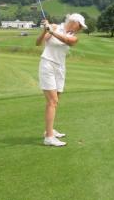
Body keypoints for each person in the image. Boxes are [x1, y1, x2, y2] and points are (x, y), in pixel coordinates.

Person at [36, 13, 87, 146]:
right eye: (80, 25)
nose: (80, 28)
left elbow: (66, 40)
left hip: (60, 68)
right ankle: (49, 137)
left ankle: (49, 131)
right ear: (73, 22)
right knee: (52, 101)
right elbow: (38, 43)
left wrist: (51, 31)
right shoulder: (54, 27)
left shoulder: (73, 37)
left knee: (55, 101)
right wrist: (45, 31)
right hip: (47, 64)